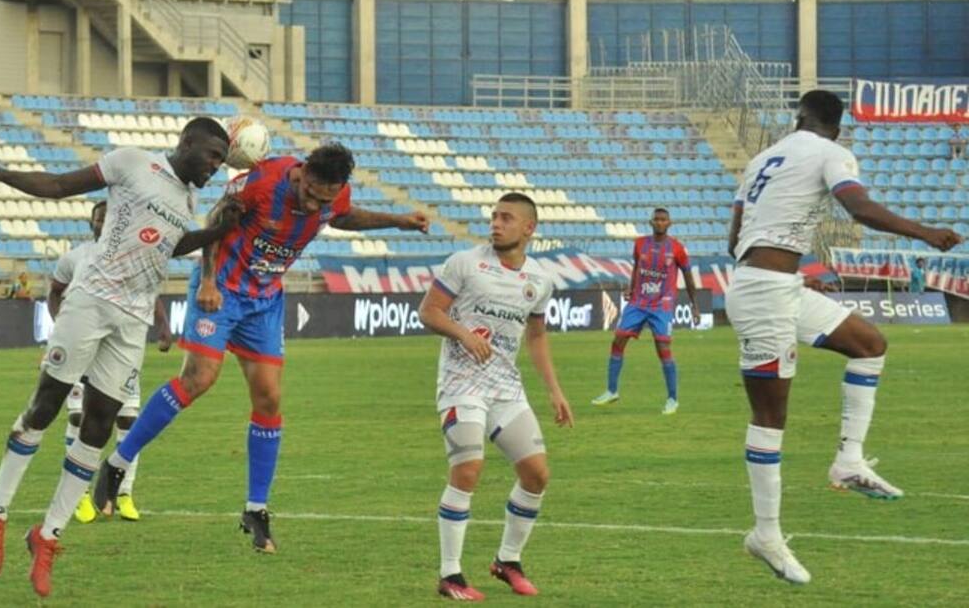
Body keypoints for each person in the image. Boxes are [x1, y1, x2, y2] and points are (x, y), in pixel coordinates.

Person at [92, 143, 429, 553]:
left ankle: (256, 509)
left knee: (269, 398)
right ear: (302, 172)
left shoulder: (332, 195)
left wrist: (399, 222)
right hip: (222, 290)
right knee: (199, 379)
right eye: (309, 193)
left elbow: (342, 216)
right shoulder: (262, 181)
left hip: (265, 300)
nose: (313, 203)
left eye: (323, 198)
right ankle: (117, 464)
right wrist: (211, 280)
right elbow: (216, 220)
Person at [0, 117, 238, 598]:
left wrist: (217, 230)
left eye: (223, 161)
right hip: (91, 300)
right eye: (213, 156)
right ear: (187, 143)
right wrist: (5, 174)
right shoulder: (132, 163)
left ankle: (47, 535)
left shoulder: (189, 200)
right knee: (46, 406)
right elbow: (58, 185)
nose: (217, 167)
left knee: (98, 427)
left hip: (133, 320)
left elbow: (171, 247)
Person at [726, 90, 961, 585]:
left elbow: (734, 240)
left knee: (869, 344)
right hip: (765, 293)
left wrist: (786, 256)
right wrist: (925, 233)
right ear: (837, 126)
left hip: (777, 285)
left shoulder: (762, 158)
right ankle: (764, 534)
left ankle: (848, 462)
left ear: (799, 118)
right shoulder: (831, 152)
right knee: (770, 416)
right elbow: (857, 208)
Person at [417, 192, 573, 601]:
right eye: (494, 216)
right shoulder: (465, 263)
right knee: (468, 470)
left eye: (506, 218)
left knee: (537, 474)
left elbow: (537, 337)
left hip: (506, 388)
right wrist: (464, 334)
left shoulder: (540, 280)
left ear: (528, 228)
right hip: (460, 384)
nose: (496, 223)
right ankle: (450, 575)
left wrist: (555, 391)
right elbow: (429, 311)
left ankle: (508, 561)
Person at [44, 200, 171, 524]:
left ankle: (123, 493)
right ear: (92, 224)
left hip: (119, 352)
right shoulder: (76, 258)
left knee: (128, 421)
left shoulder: (135, 257)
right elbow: (55, 292)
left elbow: (150, 295)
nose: (103, 223)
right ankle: (80, 495)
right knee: (78, 419)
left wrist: (163, 326)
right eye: (98, 219)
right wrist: (64, 328)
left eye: (108, 218)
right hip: (83, 351)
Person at [591, 207, 699, 414]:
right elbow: (636, 268)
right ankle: (612, 390)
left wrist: (695, 305)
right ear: (651, 222)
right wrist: (631, 288)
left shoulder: (677, 248)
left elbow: (688, 276)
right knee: (618, 339)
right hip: (639, 303)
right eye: (656, 219)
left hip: (662, 305)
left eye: (663, 220)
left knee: (663, 349)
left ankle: (672, 399)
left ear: (669, 223)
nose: (659, 222)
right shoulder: (640, 244)